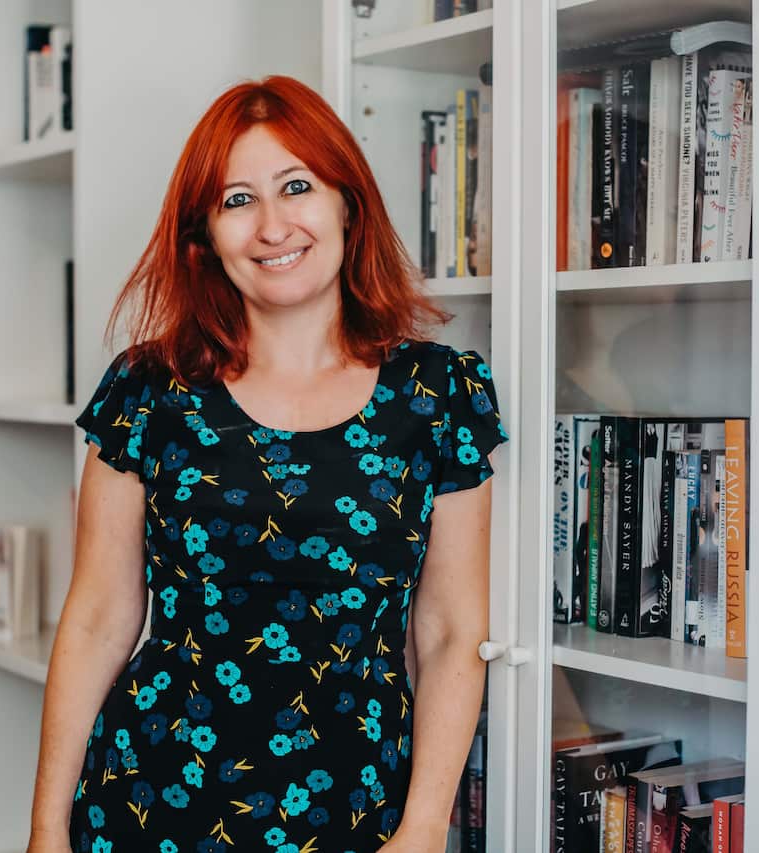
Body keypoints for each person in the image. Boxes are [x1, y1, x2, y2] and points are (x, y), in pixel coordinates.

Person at [25, 75, 509, 853]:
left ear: (347, 203)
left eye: (296, 186)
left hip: (357, 811)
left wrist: (424, 827)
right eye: (237, 200)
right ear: (207, 235)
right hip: (152, 801)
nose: (273, 225)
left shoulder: (437, 394)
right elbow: (95, 621)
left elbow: (453, 630)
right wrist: (47, 830)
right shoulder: (149, 391)